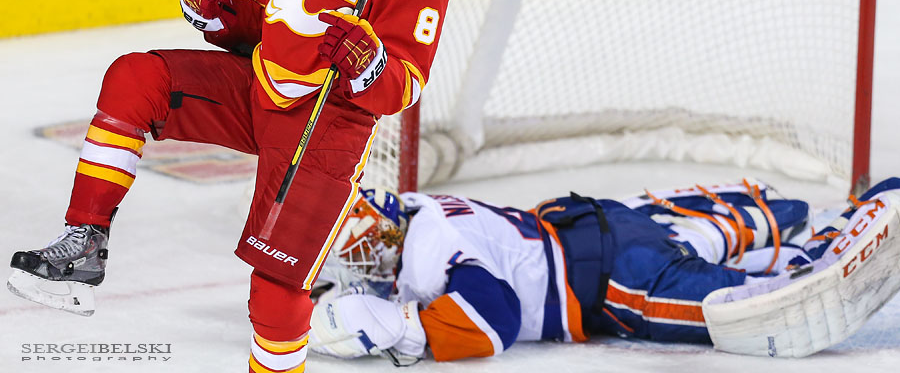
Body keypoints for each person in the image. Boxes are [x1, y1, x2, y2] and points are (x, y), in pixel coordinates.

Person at [7, 0, 452, 373]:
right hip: (255, 92)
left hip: (326, 125)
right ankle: (86, 238)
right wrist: (215, 14)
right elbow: (263, 25)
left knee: (275, 286)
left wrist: (370, 62)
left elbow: (403, 86)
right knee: (136, 77)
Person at [308, 177, 900, 363]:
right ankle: (802, 213)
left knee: (768, 303)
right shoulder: (421, 208)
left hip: (619, 283)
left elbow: (495, 321)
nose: (359, 256)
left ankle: (842, 234)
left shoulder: (430, 243)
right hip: (613, 223)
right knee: (725, 226)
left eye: (354, 238)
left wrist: (406, 325)